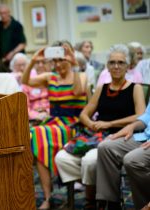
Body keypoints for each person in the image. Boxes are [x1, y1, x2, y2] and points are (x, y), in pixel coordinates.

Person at [55, 44, 145, 210]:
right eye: (112, 62)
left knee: (90, 161)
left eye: (120, 62)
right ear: (107, 66)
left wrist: (109, 124)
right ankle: (89, 193)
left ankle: (92, 201)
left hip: (120, 136)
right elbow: (84, 114)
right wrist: (92, 124)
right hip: (97, 135)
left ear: (128, 66)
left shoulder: (135, 87)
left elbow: (140, 116)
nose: (116, 66)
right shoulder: (101, 88)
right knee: (62, 157)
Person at [22, 41, 87, 210]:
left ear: (70, 57)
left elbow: (79, 92)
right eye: (55, 60)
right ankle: (48, 196)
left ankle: (49, 196)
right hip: (53, 123)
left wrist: (74, 65)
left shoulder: (81, 75)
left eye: (61, 59)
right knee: (34, 136)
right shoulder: (49, 77)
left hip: (74, 124)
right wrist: (34, 60)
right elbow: (25, 80)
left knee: (37, 134)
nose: (57, 64)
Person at [96, 103, 150, 210]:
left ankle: (144, 206)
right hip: (144, 137)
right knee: (105, 147)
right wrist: (132, 126)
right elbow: (147, 116)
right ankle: (110, 204)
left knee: (132, 160)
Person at [21, 54, 51, 122]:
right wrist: (35, 115)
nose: (40, 65)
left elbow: (57, 104)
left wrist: (47, 112)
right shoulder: (28, 81)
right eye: (37, 62)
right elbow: (24, 106)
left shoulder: (54, 80)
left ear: (50, 64)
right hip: (33, 118)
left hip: (51, 116)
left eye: (44, 62)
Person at [0, 4, 26, 73]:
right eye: (1, 13)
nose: (3, 15)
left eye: (4, 13)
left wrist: (12, 53)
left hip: (16, 59)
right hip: (4, 60)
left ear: (9, 13)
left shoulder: (17, 25)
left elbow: (23, 44)